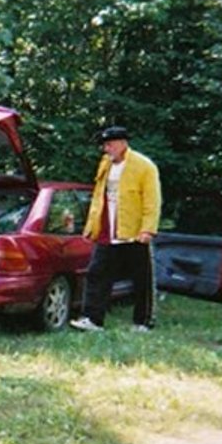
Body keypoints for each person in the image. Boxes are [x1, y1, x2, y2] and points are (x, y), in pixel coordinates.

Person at [70, 126, 161, 332]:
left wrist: (147, 229)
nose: (106, 149)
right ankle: (93, 319)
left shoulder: (144, 166)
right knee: (96, 273)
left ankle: (143, 322)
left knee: (141, 279)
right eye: (105, 145)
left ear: (123, 143)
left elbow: (152, 201)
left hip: (134, 232)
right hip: (108, 231)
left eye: (109, 145)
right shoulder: (105, 164)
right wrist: (91, 226)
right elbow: (98, 197)